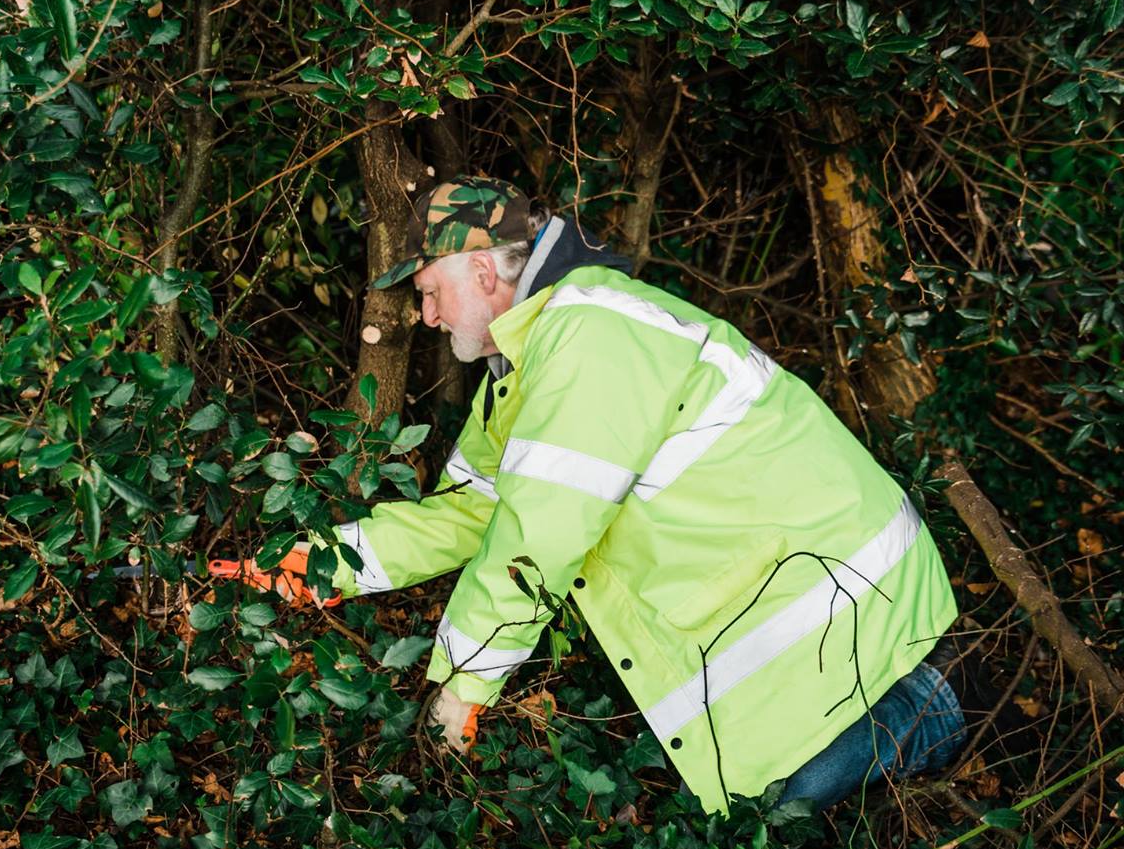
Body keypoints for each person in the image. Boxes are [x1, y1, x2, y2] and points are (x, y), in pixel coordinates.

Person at [267, 177, 968, 813]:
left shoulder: (591, 336)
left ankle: (933, 703)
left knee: (782, 803)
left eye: (429, 292)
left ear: (482, 271)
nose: (425, 315)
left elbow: (537, 536)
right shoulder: (523, 371)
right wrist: (324, 561)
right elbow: (470, 514)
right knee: (759, 806)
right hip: (799, 596)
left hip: (840, 594)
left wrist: (464, 687)